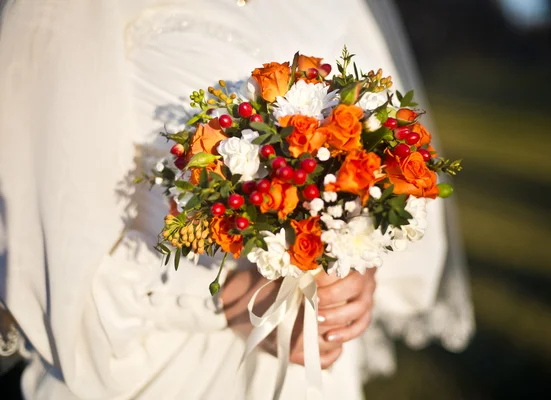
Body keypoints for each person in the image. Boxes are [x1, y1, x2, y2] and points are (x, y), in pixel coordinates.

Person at [0, 0, 474, 399]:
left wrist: (358, 252)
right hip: (155, 360)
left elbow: (383, 143)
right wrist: (239, 299)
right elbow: (52, 235)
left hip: (313, 373)